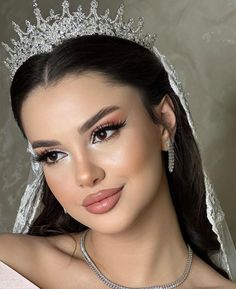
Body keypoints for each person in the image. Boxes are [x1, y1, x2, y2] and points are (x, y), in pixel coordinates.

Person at [0, 1, 236, 288]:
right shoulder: (8, 267)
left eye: (102, 133)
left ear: (163, 122)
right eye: (53, 155)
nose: (85, 175)